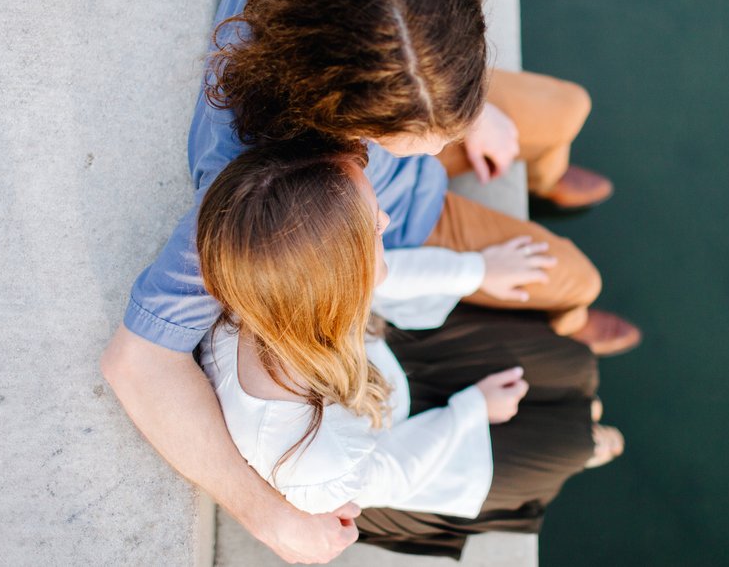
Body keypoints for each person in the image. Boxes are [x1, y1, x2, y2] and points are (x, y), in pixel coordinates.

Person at [102, 0, 635, 562]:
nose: (441, 146)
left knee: (567, 107)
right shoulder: (257, 182)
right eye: (419, 139)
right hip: (402, 229)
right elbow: (137, 361)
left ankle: (543, 172)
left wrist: (465, 107)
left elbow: (422, 86)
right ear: (335, 118)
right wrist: (266, 514)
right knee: (576, 279)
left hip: (417, 87)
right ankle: (565, 317)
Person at [195, 140, 624, 559]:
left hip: (385, 358)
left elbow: (387, 276)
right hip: (396, 447)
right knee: (570, 442)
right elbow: (397, 472)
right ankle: (584, 432)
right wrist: (472, 408)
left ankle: (582, 406)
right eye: (373, 226)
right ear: (337, 274)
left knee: (575, 362)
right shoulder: (315, 459)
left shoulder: (278, 279)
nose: (384, 218)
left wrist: (478, 271)